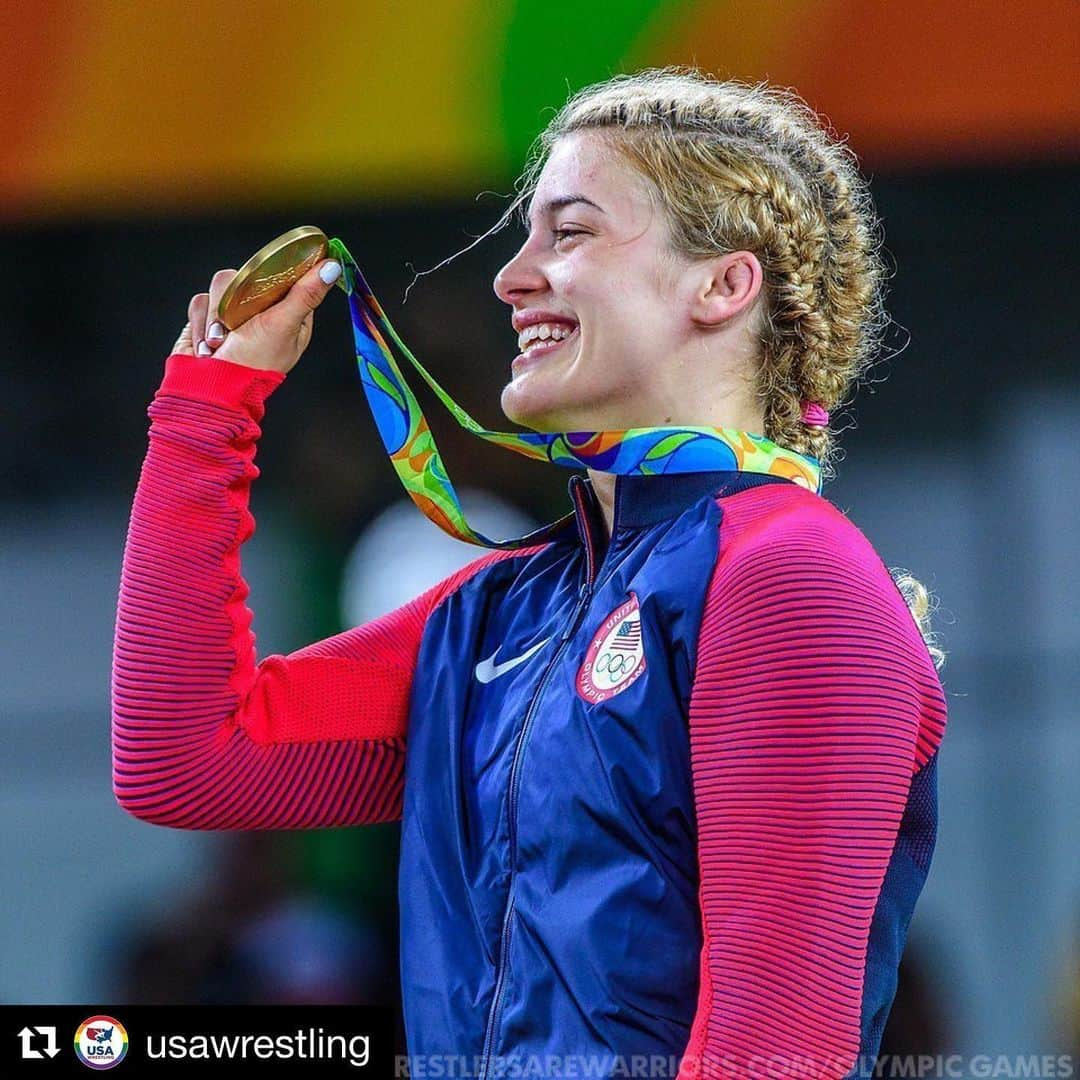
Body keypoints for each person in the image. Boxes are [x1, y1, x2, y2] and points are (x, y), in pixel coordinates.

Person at [111, 68, 949, 1079]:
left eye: (572, 232)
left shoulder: (790, 581)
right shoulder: (504, 613)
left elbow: (776, 1056)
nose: (513, 277)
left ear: (723, 285)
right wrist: (208, 408)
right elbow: (188, 757)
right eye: (526, 236)